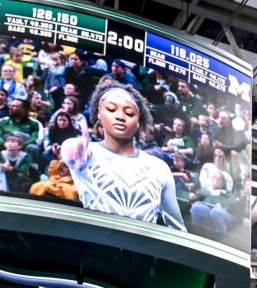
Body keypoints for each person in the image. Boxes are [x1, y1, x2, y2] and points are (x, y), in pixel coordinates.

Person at [61, 82, 186, 231]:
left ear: (139, 121)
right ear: (99, 113)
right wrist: (75, 147)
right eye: (112, 109)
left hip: (140, 250)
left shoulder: (159, 167)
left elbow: (177, 227)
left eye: (129, 113)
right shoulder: (88, 153)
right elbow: (70, 150)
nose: (120, 116)